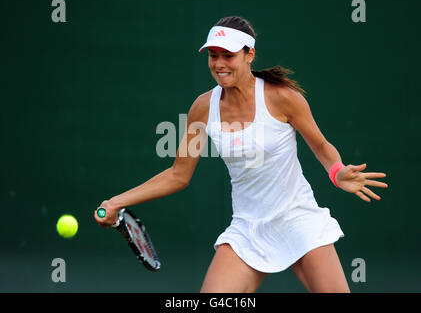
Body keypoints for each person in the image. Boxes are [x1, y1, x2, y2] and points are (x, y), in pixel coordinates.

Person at [94, 16, 388, 293]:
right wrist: (118, 201)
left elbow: (321, 146)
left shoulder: (282, 97)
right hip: (247, 229)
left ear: (250, 55)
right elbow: (177, 175)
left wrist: (336, 172)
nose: (219, 63)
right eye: (213, 56)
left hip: (299, 219)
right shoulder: (202, 108)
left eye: (228, 55)